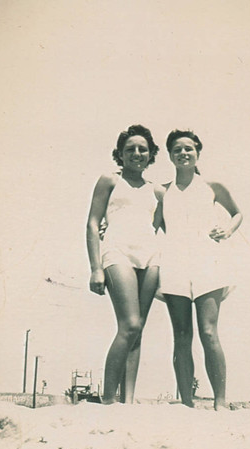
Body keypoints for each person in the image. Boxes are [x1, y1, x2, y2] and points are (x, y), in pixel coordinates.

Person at [158, 129, 243, 410]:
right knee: (182, 336)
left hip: (208, 262)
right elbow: (146, 224)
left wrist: (227, 229)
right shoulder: (162, 191)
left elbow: (237, 213)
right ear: (170, 155)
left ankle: (220, 402)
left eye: (189, 149)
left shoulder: (212, 185)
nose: (183, 153)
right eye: (177, 149)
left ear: (197, 153)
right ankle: (186, 403)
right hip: (174, 265)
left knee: (208, 332)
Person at [86, 124, 162, 404]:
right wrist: (95, 268)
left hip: (150, 257)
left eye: (143, 149)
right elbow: (93, 224)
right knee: (129, 324)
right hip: (117, 253)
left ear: (151, 153)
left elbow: (173, 227)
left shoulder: (157, 190)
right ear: (120, 154)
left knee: (138, 329)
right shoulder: (109, 180)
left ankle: (127, 403)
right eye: (130, 149)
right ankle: (108, 401)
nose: (137, 153)